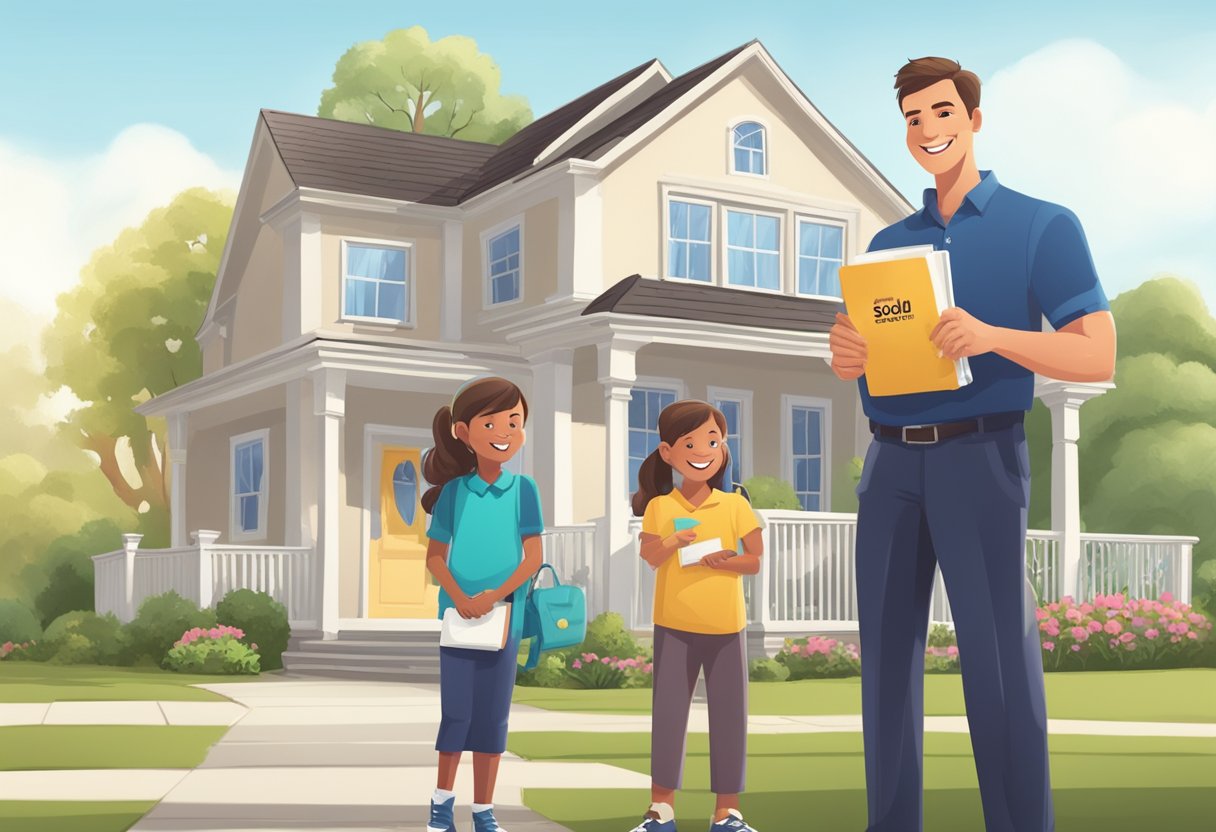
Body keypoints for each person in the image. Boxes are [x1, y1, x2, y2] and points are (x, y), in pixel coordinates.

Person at [829, 57, 1117, 832]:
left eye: (942, 111)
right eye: (914, 118)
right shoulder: (889, 243)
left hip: (980, 459)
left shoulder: (1041, 225)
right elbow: (879, 372)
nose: (928, 129)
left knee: (996, 664)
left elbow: (1096, 353)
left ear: (974, 119)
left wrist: (993, 337)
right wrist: (851, 357)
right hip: (889, 464)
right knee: (886, 669)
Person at [627, 400, 765, 832]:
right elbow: (649, 555)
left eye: (713, 440)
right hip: (674, 626)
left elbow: (755, 560)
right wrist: (674, 540)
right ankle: (661, 810)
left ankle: (727, 812)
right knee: (668, 716)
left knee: (729, 717)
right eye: (691, 442)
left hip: (727, 627)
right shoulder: (659, 507)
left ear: (723, 448)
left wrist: (724, 561)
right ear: (668, 453)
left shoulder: (735, 505)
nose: (704, 450)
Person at [422, 376, 544, 832]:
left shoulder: (523, 490)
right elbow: (436, 557)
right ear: (463, 432)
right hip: (459, 619)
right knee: (457, 713)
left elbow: (533, 556)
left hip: (505, 619)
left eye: (514, 422)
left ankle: (483, 810)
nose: (504, 432)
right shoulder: (454, 494)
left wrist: (493, 597)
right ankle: (440, 805)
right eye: (492, 422)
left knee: (493, 719)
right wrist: (462, 598)